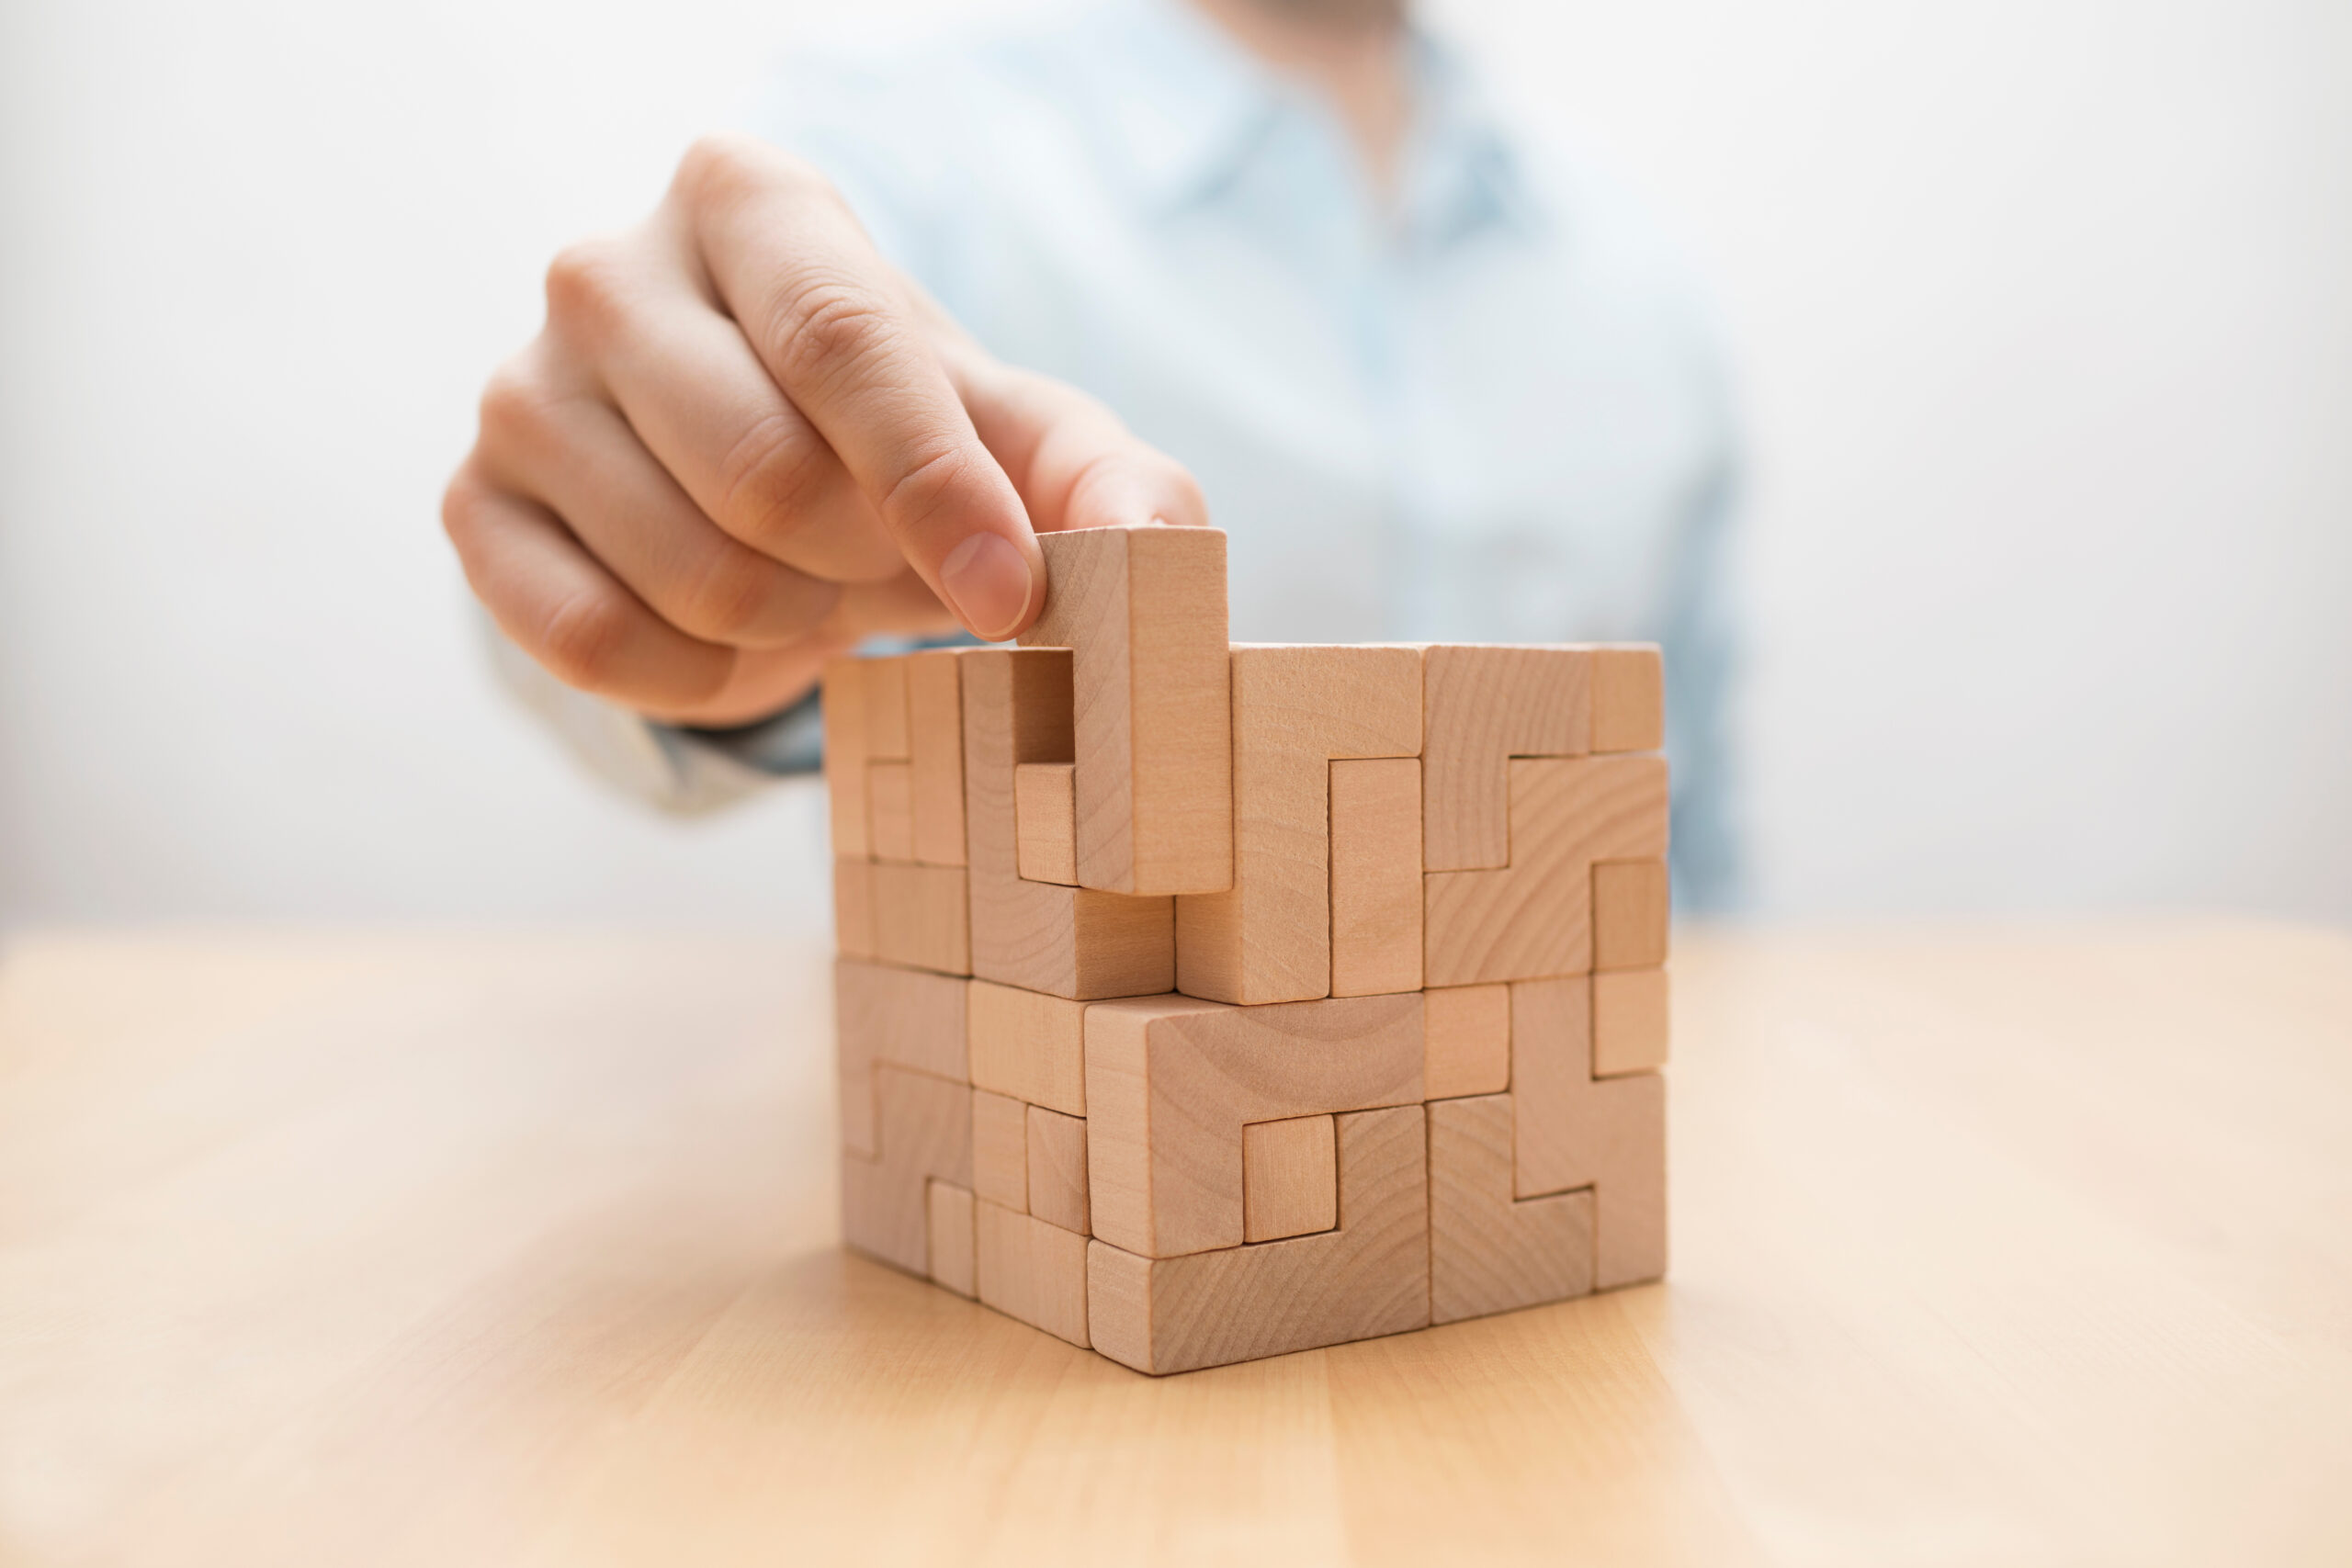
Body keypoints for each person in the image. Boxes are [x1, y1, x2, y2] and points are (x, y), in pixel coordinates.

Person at [442, 0, 1741, 908]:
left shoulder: (1646, 278)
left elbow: (1694, 844)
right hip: (1062, 1191)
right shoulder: (903, 140)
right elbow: (609, 517)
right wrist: (647, 550)